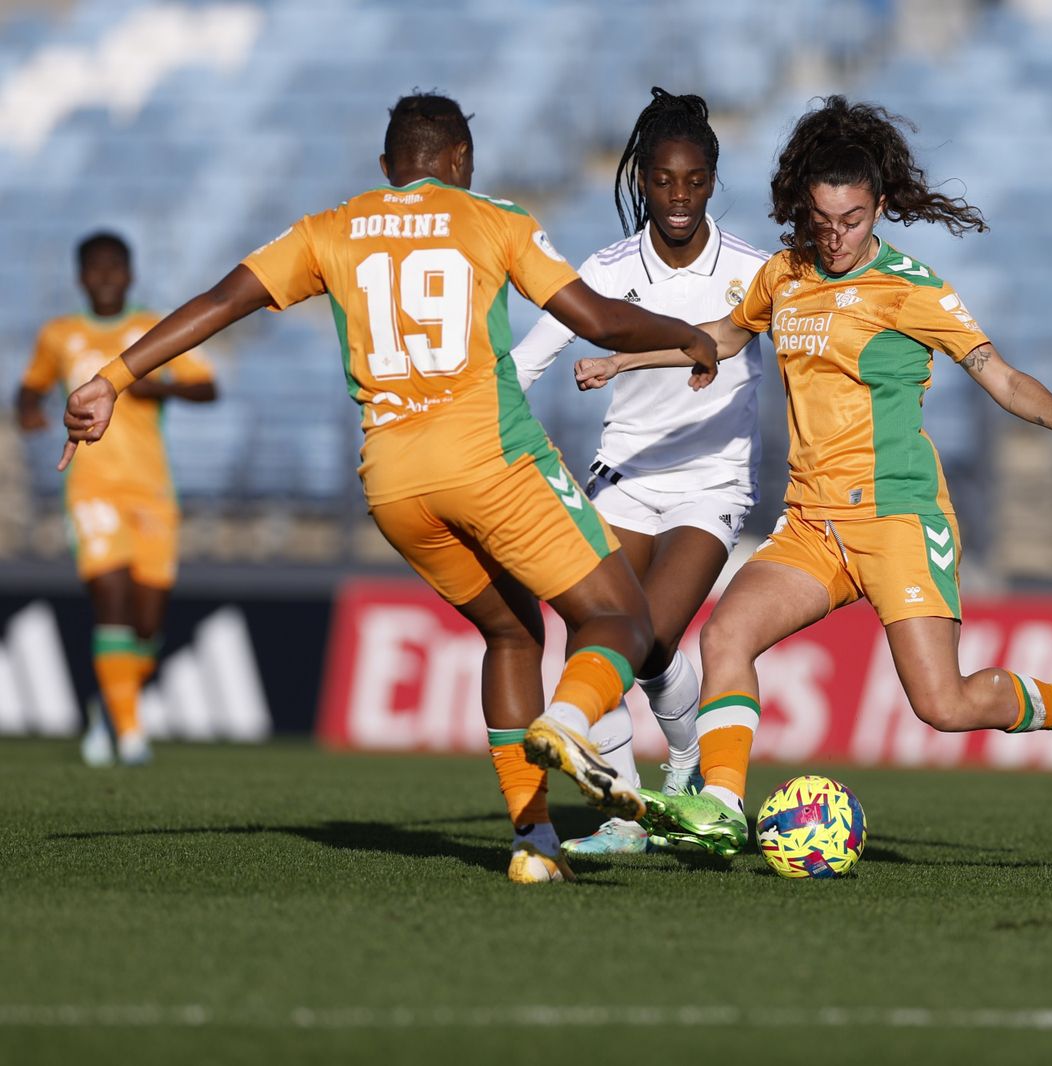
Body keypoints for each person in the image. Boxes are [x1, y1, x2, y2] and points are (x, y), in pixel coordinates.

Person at [56, 93, 718, 884]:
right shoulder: (492, 218)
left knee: (512, 634)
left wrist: (113, 376)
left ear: (387, 167)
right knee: (622, 616)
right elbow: (601, 322)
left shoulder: (329, 227)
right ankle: (571, 723)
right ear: (461, 163)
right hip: (490, 461)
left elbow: (221, 302)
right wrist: (687, 336)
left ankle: (534, 843)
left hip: (394, 485)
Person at [575, 95, 1052, 858]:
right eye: (823, 220)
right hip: (811, 524)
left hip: (896, 517)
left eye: (854, 219)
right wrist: (629, 356)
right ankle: (718, 805)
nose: (838, 236)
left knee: (942, 703)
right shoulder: (785, 275)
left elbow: (999, 378)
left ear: (879, 207)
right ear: (803, 209)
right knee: (728, 633)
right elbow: (718, 336)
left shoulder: (911, 287)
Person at [510, 88, 768, 856]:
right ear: (642, 182)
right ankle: (627, 816)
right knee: (609, 634)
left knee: (648, 631)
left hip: (712, 482)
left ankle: (684, 762)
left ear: (713, 180)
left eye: (693, 181)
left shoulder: (754, 271)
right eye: (662, 180)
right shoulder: (606, 268)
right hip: (624, 476)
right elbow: (526, 361)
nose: (678, 197)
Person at [16, 232, 218, 767]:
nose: (105, 277)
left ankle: (109, 704)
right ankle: (131, 737)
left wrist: (163, 389)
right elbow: (29, 388)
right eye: (95, 269)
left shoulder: (152, 330)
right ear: (80, 277)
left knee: (146, 625)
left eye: (115, 268)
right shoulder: (59, 335)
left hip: (153, 493)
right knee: (111, 600)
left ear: (131, 275)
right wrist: (27, 411)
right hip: (91, 489)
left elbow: (207, 387)